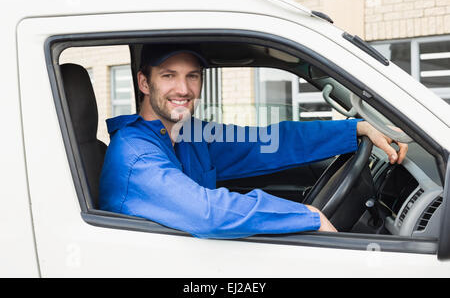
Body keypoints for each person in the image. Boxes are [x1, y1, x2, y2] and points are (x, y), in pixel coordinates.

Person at [99, 44, 408, 238]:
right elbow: (206, 212)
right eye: (169, 75)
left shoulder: (189, 135)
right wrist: (307, 215)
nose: (183, 88)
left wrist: (355, 128)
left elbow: (266, 142)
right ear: (144, 82)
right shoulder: (134, 154)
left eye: (193, 76)